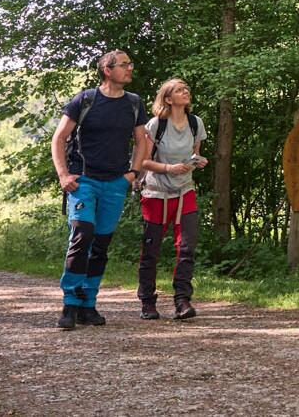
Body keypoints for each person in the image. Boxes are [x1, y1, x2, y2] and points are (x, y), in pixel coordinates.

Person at [50, 49, 152, 330]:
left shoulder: (134, 103)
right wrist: (63, 175)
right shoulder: (84, 100)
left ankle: (88, 304)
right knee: (82, 236)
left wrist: (133, 173)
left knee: (101, 245)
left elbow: (142, 140)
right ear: (107, 70)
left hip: (115, 183)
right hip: (84, 180)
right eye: (124, 65)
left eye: (130, 63)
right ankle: (70, 303)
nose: (130, 68)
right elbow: (59, 138)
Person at [134, 78, 208, 320]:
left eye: (187, 88)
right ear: (168, 98)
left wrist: (198, 161)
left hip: (185, 191)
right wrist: (168, 168)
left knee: (186, 247)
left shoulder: (196, 123)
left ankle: (182, 301)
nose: (185, 92)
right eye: (179, 90)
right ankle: (147, 302)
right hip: (156, 194)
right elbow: (141, 162)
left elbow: (194, 154)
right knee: (151, 250)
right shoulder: (155, 125)